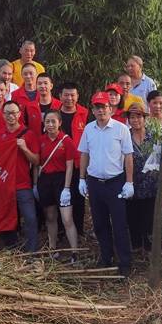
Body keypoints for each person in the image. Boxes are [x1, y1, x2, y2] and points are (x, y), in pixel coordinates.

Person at [78, 91, 134, 277]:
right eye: (97, 107)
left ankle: (125, 262)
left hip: (115, 182)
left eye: (104, 107)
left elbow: (128, 156)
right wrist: (82, 178)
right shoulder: (89, 129)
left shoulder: (121, 129)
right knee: (100, 223)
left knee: (119, 224)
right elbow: (84, 154)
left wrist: (129, 182)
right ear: (92, 110)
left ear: (110, 109)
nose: (101, 110)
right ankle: (106, 256)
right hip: (95, 183)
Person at [0, 100, 40, 252]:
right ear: (3, 115)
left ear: (19, 114)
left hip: (23, 184)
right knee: (8, 220)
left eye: (14, 112)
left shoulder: (29, 134)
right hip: (4, 185)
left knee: (30, 219)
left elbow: (36, 160)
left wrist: (24, 148)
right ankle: (12, 249)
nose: (11, 116)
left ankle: (32, 251)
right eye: (7, 113)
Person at [35, 110, 79, 262]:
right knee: (50, 216)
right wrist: (35, 184)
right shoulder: (40, 140)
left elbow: (70, 166)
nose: (50, 124)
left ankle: (75, 252)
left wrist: (67, 188)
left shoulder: (66, 141)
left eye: (54, 121)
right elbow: (37, 164)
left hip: (62, 180)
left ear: (60, 123)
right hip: (46, 181)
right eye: (47, 121)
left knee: (67, 218)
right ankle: (52, 248)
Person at [125, 99, 160, 252]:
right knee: (132, 215)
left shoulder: (153, 136)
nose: (136, 120)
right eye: (132, 117)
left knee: (149, 216)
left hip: (150, 183)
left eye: (139, 116)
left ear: (144, 118)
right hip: (132, 181)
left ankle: (149, 246)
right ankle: (136, 245)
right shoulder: (125, 136)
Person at [58, 82, 90, 238]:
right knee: (61, 196)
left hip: (79, 164)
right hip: (59, 164)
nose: (69, 98)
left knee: (78, 199)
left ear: (77, 96)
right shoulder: (54, 114)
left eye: (72, 95)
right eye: (66, 95)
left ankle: (79, 232)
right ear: (60, 96)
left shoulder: (85, 113)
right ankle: (62, 231)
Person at [12, 63, 43, 138]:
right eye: (25, 74)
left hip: (42, 134)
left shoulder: (43, 92)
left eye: (31, 73)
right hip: (23, 135)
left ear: (36, 74)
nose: (28, 76)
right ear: (22, 76)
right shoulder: (15, 95)